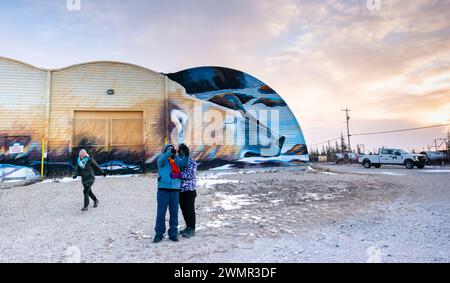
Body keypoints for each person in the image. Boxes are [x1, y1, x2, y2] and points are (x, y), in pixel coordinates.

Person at [153, 144, 188, 243]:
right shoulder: (161, 159)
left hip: (175, 190)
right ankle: (159, 233)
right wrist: (170, 152)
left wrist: (186, 154)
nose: (171, 152)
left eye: (172, 150)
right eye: (168, 150)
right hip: (163, 190)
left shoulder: (177, 160)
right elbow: (162, 160)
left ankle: (173, 233)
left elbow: (184, 163)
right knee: (161, 213)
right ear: (165, 151)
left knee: (174, 213)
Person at [178, 144, 198, 238]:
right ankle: (188, 226)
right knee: (184, 209)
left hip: (189, 189)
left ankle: (192, 229)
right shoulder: (179, 161)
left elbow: (190, 175)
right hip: (181, 190)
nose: (181, 152)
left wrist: (178, 175)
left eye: (182, 150)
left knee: (190, 209)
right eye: (180, 150)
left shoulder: (191, 162)